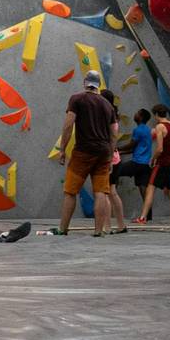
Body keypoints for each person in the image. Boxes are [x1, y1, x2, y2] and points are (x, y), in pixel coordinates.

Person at [54, 71, 116, 237]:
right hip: (103, 153)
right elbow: (113, 134)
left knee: (70, 191)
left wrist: (62, 149)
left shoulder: (77, 99)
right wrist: (110, 157)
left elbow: (68, 125)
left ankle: (63, 229)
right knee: (100, 192)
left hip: (83, 151)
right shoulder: (107, 105)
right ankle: (98, 231)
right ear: (98, 85)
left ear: (85, 82)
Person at [138, 104, 170, 225]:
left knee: (150, 188)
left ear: (156, 115)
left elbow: (159, 149)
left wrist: (153, 159)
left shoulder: (160, 127)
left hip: (162, 163)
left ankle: (142, 218)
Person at [116, 109, 155, 225]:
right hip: (145, 164)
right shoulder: (148, 130)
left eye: (137, 113)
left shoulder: (138, 130)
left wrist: (117, 148)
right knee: (143, 187)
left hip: (137, 163)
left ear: (141, 117)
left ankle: (110, 198)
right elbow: (135, 149)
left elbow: (131, 145)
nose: (135, 114)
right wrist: (120, 152)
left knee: (115, 172)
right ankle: (148, 216)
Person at [100, 89, 130, 235]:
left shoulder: (104, 116)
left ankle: (107, 227)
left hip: (107, 158)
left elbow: (108, 139)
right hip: (115, 157)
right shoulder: (114, 115)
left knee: (104, 193)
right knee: (112, 192)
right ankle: (121, 225)